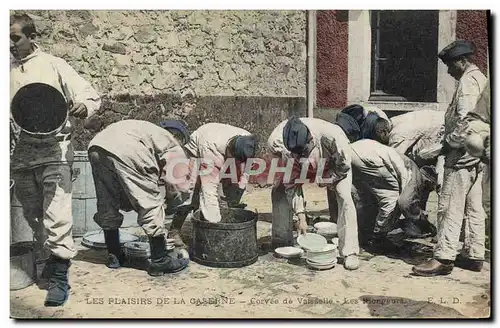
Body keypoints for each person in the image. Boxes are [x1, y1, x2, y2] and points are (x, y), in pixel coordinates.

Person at [10, 13, 101, 307]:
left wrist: (82, 105)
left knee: (57, 213)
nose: (10, 44)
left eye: (15, 37)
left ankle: (60, 278)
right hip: (20, 154)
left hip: (54, 151)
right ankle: (49, 260)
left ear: (31, 36)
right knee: (33, 215)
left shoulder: (53, 64)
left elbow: (90, 95)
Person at [412, 40, 488, 276]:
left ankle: (443, 257)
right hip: (479, 153)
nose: (448, 71)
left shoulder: (467, 82)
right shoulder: (482, 80)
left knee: (449, 206)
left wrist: (447, 145)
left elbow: (467, 121)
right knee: (475, 207)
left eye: (450, 65)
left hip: (462, 153)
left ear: (462, 61)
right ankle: (475, 254)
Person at [88, 119, 191, 276]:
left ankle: (114, 255)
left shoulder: (146, 130)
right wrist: (171, 205)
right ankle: (160, 261)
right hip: (128, 149)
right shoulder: (172, 144)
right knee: (151, 202)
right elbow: (180, 185)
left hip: (97, 145)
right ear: (181, 139)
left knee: (107, 201)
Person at [267, 117, 360, 270]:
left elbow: (343, 168)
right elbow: (291, 184)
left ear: (310, 138)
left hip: (333, 165)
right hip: (307, 166)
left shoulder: (333, 137)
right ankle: (282, 241)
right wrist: (301, 215)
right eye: (296, 154)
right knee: (280, 190)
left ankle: (349, 251)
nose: (299, 156)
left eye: (303, 151)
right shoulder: (283, 147)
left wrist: (328, 180)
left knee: (344, 196)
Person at [166, 123, 258, 247]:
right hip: (199, 148)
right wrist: (217, 230)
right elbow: (209, 189)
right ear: (230, 152)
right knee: (191, 191)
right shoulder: (211, 149)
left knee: (233, 190)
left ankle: (221, 218)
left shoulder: (248, 143)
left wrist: (235, 197)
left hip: (223, 148)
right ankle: (174, 231)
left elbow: (244, 174)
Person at [350, 139, 438, 247]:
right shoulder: (417, 178)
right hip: (370, 158)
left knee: (366, 200)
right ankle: (378, 238)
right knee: (391, 199)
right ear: (427, 183)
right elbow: (405, 203)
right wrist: (424, 224)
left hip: (356, 148)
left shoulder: (406, 165)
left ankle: (364, 235)